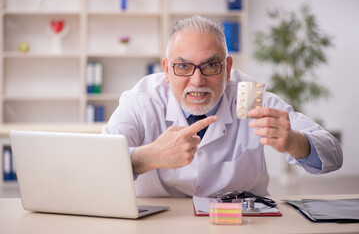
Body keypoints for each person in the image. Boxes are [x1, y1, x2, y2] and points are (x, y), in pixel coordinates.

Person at [102, 16, 343, 197]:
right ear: (166, 70)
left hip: (241, 224)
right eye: (183, 67)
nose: (197, 81)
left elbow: (333, 154)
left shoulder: (249, 96)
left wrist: (293, 140)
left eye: (210, 66)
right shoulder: (143, 99)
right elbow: (98, 161)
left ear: (228, 68)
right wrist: (149, 156)